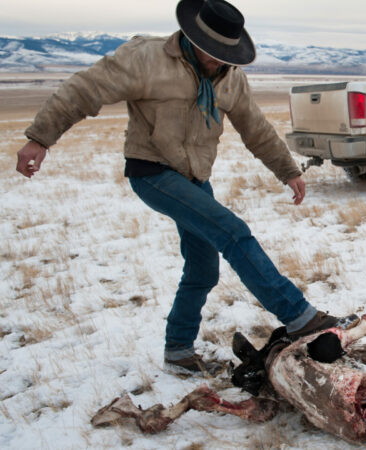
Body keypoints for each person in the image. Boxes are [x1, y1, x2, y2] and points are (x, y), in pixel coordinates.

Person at [15, 0, 344, 373]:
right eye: (214, 52)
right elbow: (83, 90)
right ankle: (299, 315)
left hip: (194, 179)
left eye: (227, 54)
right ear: (193, 37)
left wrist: (287, 170)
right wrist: (40, 138)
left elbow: (255, 128)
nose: (219, 61)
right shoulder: (146, 59)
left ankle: (178, 351)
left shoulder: (230, 76)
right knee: (233, 232)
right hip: (152, 171)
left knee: (204, 270)